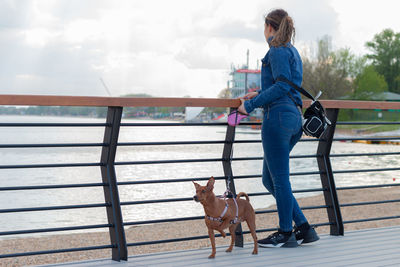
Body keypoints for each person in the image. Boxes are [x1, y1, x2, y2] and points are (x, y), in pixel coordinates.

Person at [238, 8, 319, 248]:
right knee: (268, 179)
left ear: (270, 28)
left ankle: (285, 233)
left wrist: (250, 104)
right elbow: (284, 84)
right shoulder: (292, 51)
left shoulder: (276, 49)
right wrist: (259, 93)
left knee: (280, 180)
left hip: (278, 119)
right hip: (294, 117)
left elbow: (282, 88)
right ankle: (303, 228)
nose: (264, 32)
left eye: (265, 27)